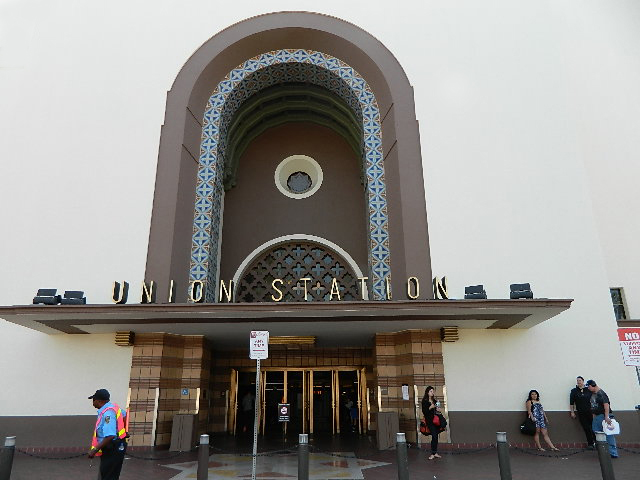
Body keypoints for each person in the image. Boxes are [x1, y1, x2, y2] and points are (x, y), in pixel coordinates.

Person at [87, 388, 127, 480]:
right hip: (116, 445)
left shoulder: (108, 413)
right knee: (110, 474)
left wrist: (94, 450)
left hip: (112, 447)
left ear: (99, 401)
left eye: (94, 400)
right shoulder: (114, 407)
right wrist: (122, 432)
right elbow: (124, 416)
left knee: (108, 476)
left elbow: (110, 435)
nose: (93, 403)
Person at [586, 379, 618, 458]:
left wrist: (607, 417)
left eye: (589, 386)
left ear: (592, 385)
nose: (588, 388)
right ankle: (603, 450)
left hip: (603, 415)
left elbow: (606, 405)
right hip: (597, 416)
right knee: (598, 433)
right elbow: (593, 407)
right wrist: (594, 417)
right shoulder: (593, 394)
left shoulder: (601, 394)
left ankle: (612, 452)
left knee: (608, 433)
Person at [569, 376, 596, 448]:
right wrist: (572, 412)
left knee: (593, 427)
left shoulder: (588, 389)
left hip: (590, 412)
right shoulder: (574, 391)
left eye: (580, 380)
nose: (578, 382)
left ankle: (597, 442)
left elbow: (594, 399)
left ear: (583, 381)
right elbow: (571, 402)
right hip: (581, 412)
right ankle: (590, 443)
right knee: (586, 427)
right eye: (577, 380)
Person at [421, 386, 441, 460]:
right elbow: (424, 411)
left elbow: (438, 410)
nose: (432, 393)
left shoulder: (434, 401)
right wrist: (430, 407)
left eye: (433, 391)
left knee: (435, 436)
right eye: (431, 391)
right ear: (427, 392)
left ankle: (435, 452)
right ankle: (433, 453)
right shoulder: (425, 401)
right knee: (434, 435)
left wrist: (438, 407)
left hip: (436, 420)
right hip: (429, 421)